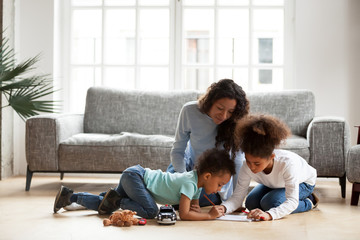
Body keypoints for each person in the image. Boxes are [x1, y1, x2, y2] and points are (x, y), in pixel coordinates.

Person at [54, 148, 235, 220]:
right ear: (208, 176)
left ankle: (69, 196)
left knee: (105, 205)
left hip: (134, 176)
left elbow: (192, 208)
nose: (219, 189)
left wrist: (198, 209)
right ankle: (117, 201)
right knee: (151, 212)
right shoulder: (189, 183)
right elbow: (185, 214)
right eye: (220, 184)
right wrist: (209, 216)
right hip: (136, 177)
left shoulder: (197, 185)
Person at [219, 114, 319, 221]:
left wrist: (269, 215)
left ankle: (309, 202)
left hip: (303, 183)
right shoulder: (246, 165)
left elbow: (292, 201)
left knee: (271, 204)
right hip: (275, 184)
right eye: (248, 161)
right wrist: (223, 208)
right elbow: (237, 198)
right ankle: (273, 200)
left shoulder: (287, 164)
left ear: (271, 157)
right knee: (251, 203)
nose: (251, 167)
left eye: (257, 163)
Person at [167, 79, 249, 206]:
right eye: (220, 108)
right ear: (210, 101)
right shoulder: (189, 111)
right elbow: (178, 151)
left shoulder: (236, 121)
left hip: (213, 177)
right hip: (188, 168)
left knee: (182, 201)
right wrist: (185, 180)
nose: (224, 115)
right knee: (168, 192)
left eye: (230, 112)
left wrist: (236, 199)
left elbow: (238, 161)